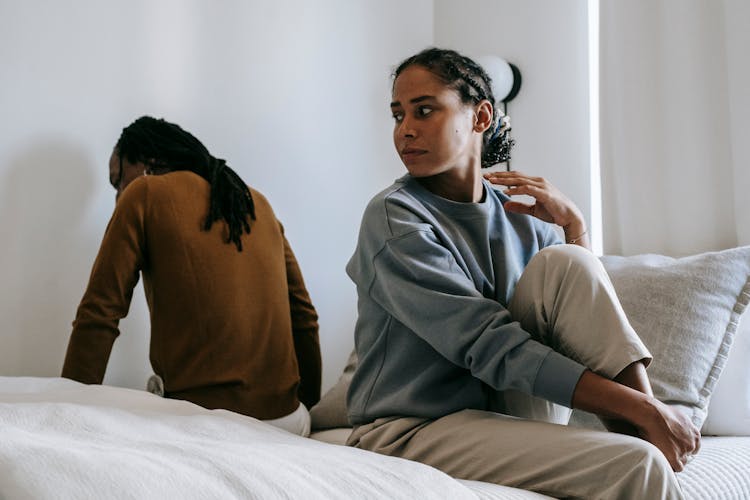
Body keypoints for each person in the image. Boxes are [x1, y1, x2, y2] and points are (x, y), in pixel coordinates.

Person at [344, 48, 700, 498]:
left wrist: (575, 230)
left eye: (425, 110)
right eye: (398, 115)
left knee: (567, 261)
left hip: (506, 411)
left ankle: (646, 429)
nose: (405, 130)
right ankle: (648, 432)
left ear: (481, 116)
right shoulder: (395, 217)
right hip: (410, 428)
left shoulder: (522, 214)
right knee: (638, 465)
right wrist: (647, 409)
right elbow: (489, 345)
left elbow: (581, 326)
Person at [62, 116, 321, 436]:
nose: (118, 196)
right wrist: (309, 415)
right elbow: (304, 318)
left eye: (118, 181)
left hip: (207, 425)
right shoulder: (256, 203)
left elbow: (99, 314)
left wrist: (65, 412)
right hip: (289, 422)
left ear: (147, 164)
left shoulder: (143, 193)